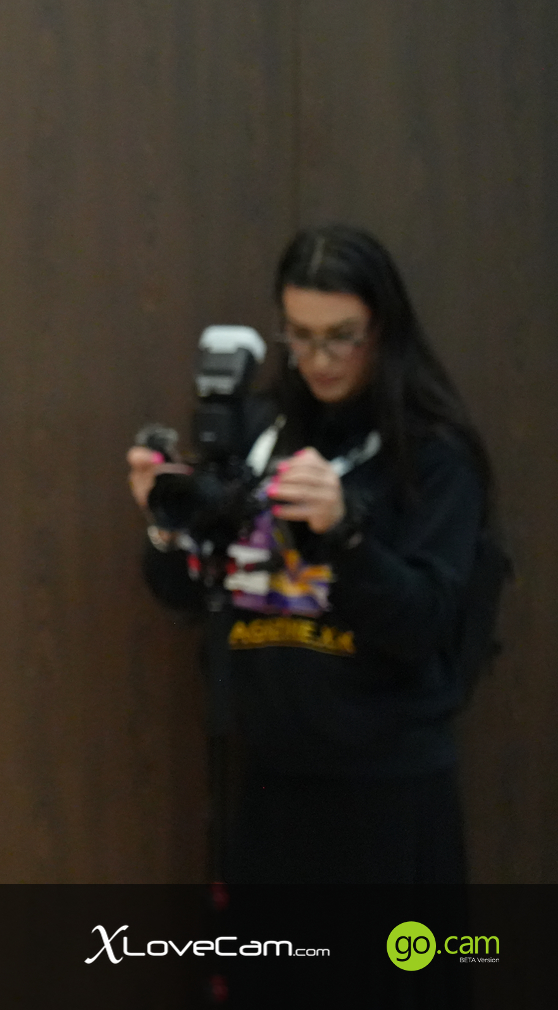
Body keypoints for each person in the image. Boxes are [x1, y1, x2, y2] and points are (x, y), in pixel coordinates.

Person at [128, 225, 492, 885]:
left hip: (389, 787)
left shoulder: (433, 455)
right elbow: (184, 594)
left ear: (383, 329)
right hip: (270, 778)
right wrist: (167, 519)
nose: (319, 359)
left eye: (341, 336)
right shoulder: (257, 431)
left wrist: (345, 531)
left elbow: (425, 625)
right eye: (299, 336)